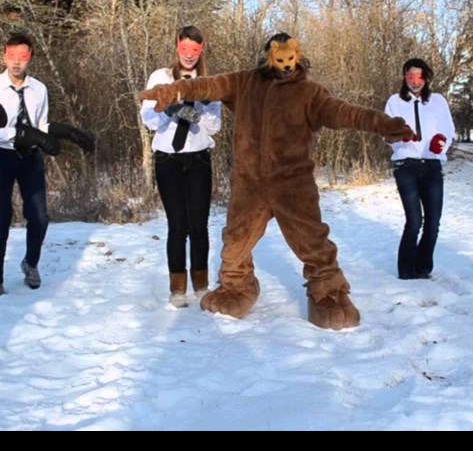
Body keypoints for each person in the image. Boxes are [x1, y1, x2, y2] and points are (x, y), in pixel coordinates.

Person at [139, 34, 412, 329]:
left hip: (293, 185)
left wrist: (382, 123)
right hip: (249, 183)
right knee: (235, 243)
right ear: (267, 57)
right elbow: (206, 85)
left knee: (313, 242)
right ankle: (236, 286)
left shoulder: (309, 92)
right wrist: (174, 91)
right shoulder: (244, 82)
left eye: (290, 58)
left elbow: (344, 112)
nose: (285, 65)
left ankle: (329, 294)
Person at [0, 33, 95, 300]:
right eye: (12, 56)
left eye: (22, 57)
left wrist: (67, 133)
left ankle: (30, 263)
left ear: (30, 57)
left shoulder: (39, 89)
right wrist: (28, 135)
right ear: (4, 55)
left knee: (40, 216)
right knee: (0, 217)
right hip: (1, 154)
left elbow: (40, 124)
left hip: (30, 157)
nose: (17, 62)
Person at [140, 27, 222, 307]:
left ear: (202, 50)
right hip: (168, 159)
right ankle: (177, 287)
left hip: (199, 158)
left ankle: (201, 284)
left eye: (194, 51)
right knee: (178, 225)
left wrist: (203, 107)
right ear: (177, 47)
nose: (188, 56)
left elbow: (215, 127)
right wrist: (172, 108)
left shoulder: (209, 82)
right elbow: (149, 120)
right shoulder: (160, 77)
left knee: (199, 225)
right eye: (184, 49)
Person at [384, 58, 456, 280]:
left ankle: (423, 268)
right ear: (405, 77)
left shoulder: (438, 101)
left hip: (432, 166)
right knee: (414, 220)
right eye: (410, 77)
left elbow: (448, 129)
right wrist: (400, 138)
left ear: (426, 77)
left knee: (433, 222)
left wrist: (441, 143)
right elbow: (387, 132)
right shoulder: (394, 102)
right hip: (406, 166)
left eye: (420, 77)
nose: (415, 82)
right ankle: (406, 271)